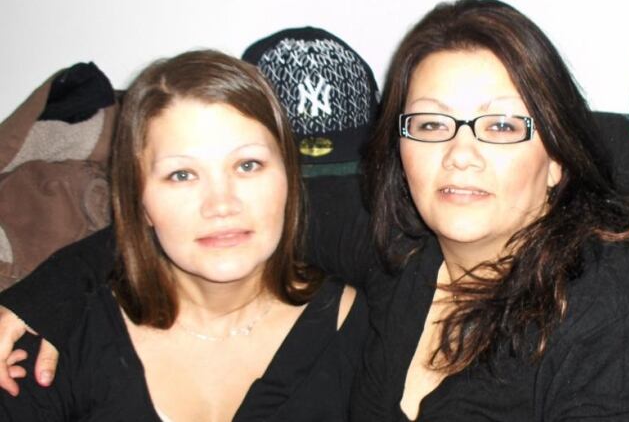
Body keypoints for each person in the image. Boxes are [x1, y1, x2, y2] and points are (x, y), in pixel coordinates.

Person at [0, 0, 629, 421]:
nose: (461, 152)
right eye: (432, 121)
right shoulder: (404, 250)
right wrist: (38, 300)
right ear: (400, 147)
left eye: (503, 124)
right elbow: (229, 217)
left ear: (558, 158)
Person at [0, 50, 367, 421]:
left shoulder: (366, 330)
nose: (221, 204)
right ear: (138, 199)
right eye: (182, 175)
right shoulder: (64, 336)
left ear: (290, 179)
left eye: (247, 165)